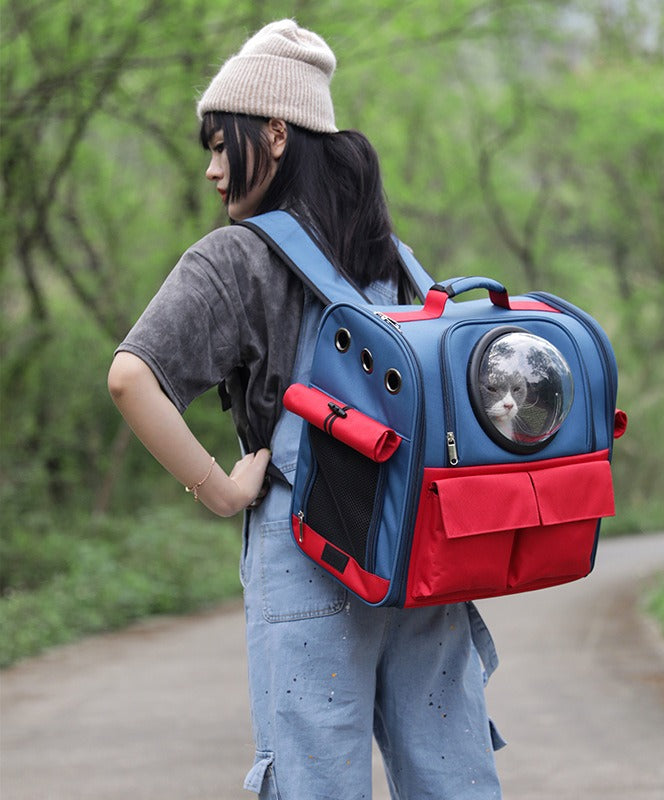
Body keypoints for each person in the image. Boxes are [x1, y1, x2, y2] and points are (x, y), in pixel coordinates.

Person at [108, 19, 504, 800]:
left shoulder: (235, 258)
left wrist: (219, 489)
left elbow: (131, 378)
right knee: (455, 782)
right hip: (423, 564)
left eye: (223, 145)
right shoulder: (390, 255)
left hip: (311, 561)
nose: (215, 172)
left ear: (277, 135)